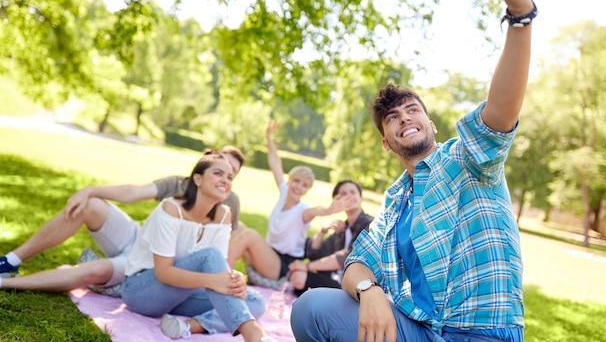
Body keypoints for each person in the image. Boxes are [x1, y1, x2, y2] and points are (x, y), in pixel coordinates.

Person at [291, 0, 535, 342]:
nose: (404, 118)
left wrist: (520, 16)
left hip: (481, 334)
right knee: (310, 308)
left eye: (412, 109)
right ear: (386, 144)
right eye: (392, 118)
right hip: (419, 330)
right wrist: (369, 292)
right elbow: (357, 263)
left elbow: (501, 110)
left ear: (430, 124)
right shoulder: (395, 201)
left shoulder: (467, 158)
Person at [0, 146, 244, 294]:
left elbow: (221, 253)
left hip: (149, 266)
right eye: (219, 167)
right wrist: (89, 190)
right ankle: (10, 262)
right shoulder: (178, 184)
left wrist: (223, 280)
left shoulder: (227, 205)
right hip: (139, 239)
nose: (224, 178)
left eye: (231, 174)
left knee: (94, 270)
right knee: (91, 206)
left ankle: (7, 284)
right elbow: (132, 192)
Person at [121, 153, 273, 342]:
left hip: (181, 295)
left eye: (229, 177)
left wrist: (236, 279)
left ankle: (186, 327)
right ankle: (254, 335)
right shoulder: (171, 209)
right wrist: (212, 281)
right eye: (218, 173)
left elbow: (219, 267)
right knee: (209, 255)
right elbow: (163, 272)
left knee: (255, 301)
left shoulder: (224, 214)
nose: (225, 180)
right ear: (197, 179)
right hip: (141, 292)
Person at [228, 121, 350, 284]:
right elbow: (275, 163)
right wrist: (269, 137)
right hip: (269, 255)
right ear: (290, 180)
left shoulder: (302, 211)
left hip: (283, 266)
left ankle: (224, 277)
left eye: (305, 185)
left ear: (307, 190)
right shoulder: (284, 193)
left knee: (249, 235)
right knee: (237, 225)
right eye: (297, 181)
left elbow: (314, 211)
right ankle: (220, 265)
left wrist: (328, 210)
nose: (299, 187)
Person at [287, 180, 374, 296]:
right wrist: (323, 231)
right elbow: (312, 253)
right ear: (337, 201)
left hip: (356, 286)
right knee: (297, 276)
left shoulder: (370, 225)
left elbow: (347, 256)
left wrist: (306, 266)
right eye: (343, 194)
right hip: (334, 281)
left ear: (361, 198)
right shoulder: (342, 228)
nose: (348, 196)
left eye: (353, 192)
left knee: (299, 277)